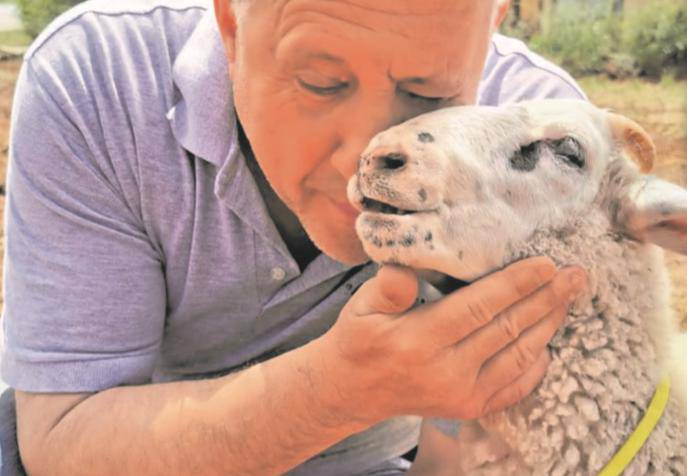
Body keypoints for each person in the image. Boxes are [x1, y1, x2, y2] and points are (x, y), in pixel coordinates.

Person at [0, 0, 589, 474]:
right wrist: (339, 390)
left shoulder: (541, 149)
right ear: (229, 22)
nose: (364, 158)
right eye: (321, 83)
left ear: (491, 28)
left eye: (429, 94)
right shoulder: (101, 82)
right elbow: (61, 440)